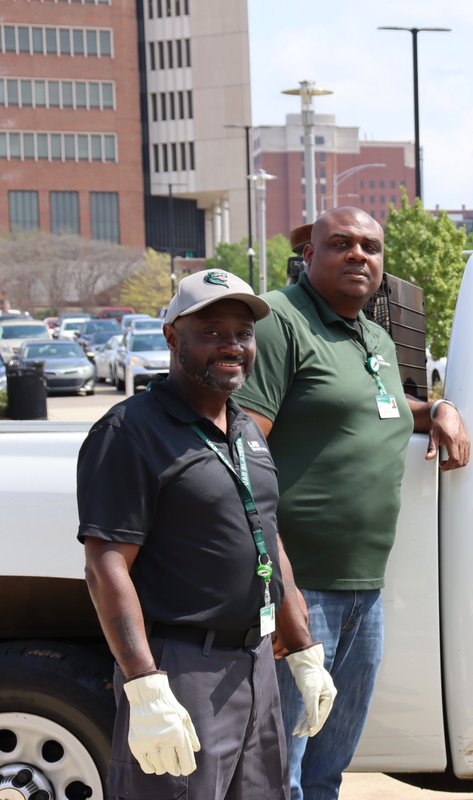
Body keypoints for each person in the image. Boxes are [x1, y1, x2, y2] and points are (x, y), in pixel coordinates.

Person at [233, 206, 470, 800]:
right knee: (278, 772)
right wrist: (277, 583)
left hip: (364, 591)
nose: (359, 255)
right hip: (297, 588)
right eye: (340, 243)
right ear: (308, 255)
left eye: (371, 246)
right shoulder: (281, 321)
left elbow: (376, 404)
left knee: (325, 771)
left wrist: (436, 409)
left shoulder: (375, 336)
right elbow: (241, 451)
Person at [78, 269, 337, 799]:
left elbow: (270, 540)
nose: (232, 346)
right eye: (212, 331)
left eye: (242, 334)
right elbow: (106, 565)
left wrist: (305, 650)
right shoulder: (129, 432)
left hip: (256, 664)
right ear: (173, 335)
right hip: (180, 669)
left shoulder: (245, 429)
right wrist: (145, 685)